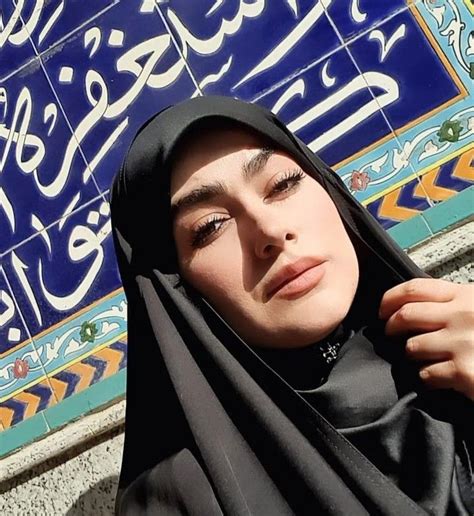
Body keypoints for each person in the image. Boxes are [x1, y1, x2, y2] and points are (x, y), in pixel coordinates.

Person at [110, 96, 473, 515]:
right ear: (177, 290)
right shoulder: (179, 502)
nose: (270, 230)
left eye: (283, 184)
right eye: (211, 226)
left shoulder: (459, 346)